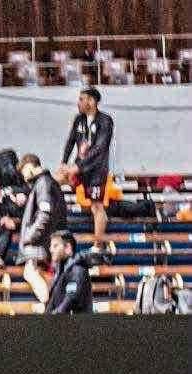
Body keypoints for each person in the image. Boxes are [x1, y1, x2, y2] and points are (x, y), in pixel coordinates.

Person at [59, 87, 114, 252]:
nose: (78, 103)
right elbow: (70, 141)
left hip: (96, 171)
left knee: (97, 206)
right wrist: (64, 162)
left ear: (92, 101)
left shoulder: (105, 121)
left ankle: (98, 245)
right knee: (54, 180)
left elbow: (99, 148)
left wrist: (79, 166)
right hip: (79, 168)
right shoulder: (79, 119)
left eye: (81, 99)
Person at [18, 154, 67, 303]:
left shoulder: (43, 183)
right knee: (47, 279)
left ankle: (49, 308)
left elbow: (44, 214)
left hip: (38, 245)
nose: (24, 177)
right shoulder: (49, 183)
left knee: (30, 273)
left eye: (24, 171)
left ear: (29, 166)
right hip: (47, 243)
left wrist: (29, 237)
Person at [46, 230, 92, 314]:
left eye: (55, 246)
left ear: (68, 248)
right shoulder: (61, 269)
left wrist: (55, 314)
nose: (51, 249)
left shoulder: (77, 269)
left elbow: (71, 298)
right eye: (51, 246)